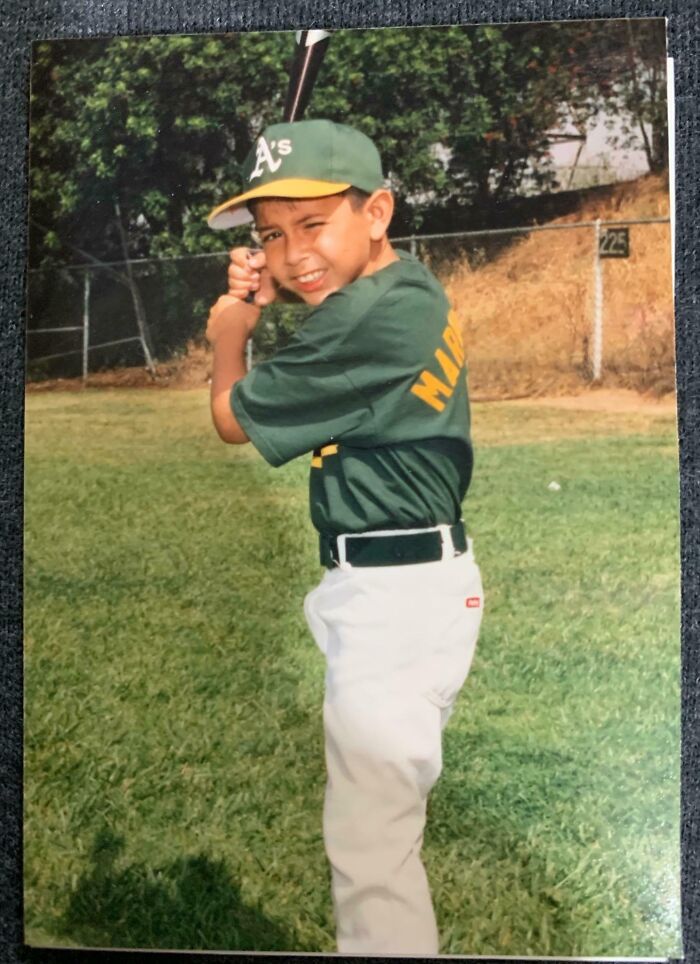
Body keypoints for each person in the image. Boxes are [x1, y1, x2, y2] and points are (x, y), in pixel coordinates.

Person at [205, 118, 484, 956]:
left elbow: (230, 420)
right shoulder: (411, 290)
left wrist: (230, 333)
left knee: (372, 854)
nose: (292, 255)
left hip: (395, 601)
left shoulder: (367, 327)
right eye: (271, 236)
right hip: (406, 584)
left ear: (379, 211)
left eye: (314, 224)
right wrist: (282, 290)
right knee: (375, 841)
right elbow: (330, 294)